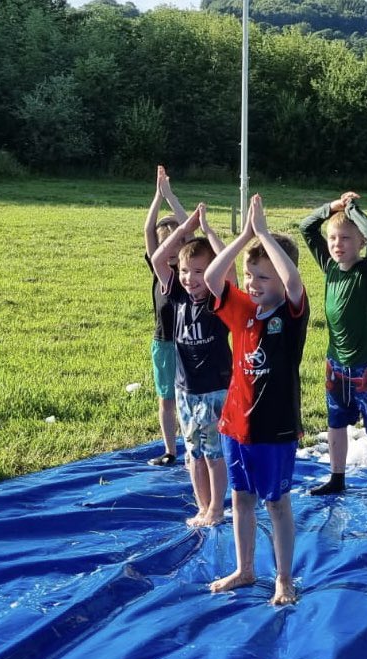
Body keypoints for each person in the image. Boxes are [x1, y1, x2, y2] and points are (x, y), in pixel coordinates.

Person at [204, 195, 309, 606]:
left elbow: (295, 285)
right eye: (251, 275)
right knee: (241, 498)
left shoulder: (292, 314)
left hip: (275, 428)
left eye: (264, 277)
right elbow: (214, 278)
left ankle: (283, 577)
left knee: (277, 503)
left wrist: (266, 234)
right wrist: (246, 236)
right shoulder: (243, 310)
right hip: (236, 425)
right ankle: (245, 569)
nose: (253, 284)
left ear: (282, 279)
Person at [300, 192, 367, 506]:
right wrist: (331, 208)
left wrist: (352, 208)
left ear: (358, 242)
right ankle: (337, 477)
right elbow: (306, 228)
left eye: (346, 238)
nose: (337, 243)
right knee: (336, 423)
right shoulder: (329, 266)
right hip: (336, 364)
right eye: (332, 238)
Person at [150, 204, 234, 528]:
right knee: (193, 453)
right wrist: (185, 228)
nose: (190, 278)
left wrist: (209, 231)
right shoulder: (177, 296)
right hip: (185, 390)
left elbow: (228, 268)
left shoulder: (217, 297)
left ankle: (216, 508)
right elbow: (159, 259)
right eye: (186, 271)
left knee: (214, 454)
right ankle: (202, 507)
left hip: (214, 389)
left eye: (199, 271)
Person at [142, 165, 187, 467]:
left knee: (189, 399)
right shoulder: (160, 274)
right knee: (167, 399)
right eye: (165, 245)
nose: (170, 251)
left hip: (191, 344)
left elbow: (189, 226)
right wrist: (158, 198)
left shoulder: (189, 276)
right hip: (164, 344)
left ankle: (193, 447)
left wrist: (171, 196)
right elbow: (148, 230)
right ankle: (171, 450)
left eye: (177, 244)